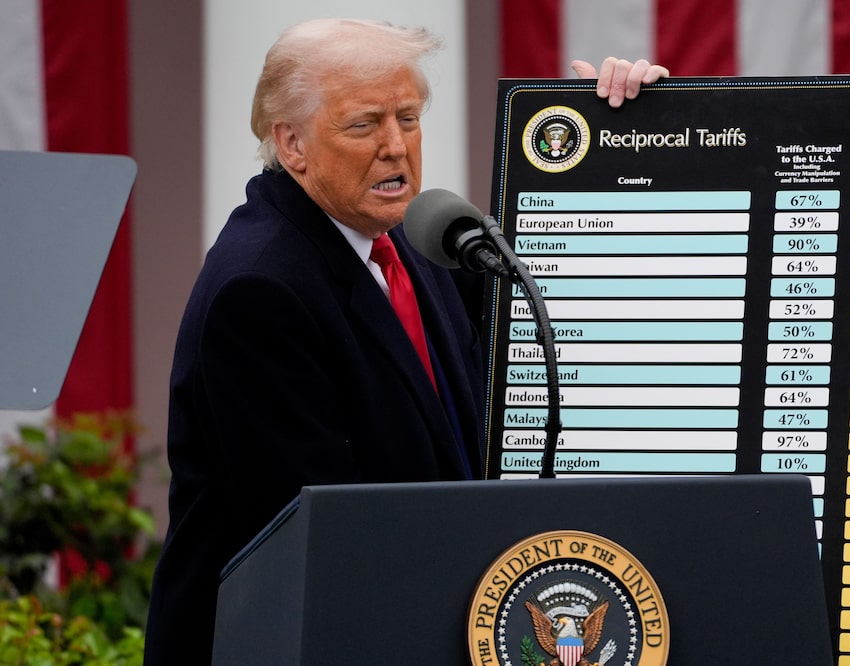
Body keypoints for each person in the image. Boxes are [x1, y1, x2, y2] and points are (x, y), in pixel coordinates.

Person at [142, 18, 667, 665]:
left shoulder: (416, 239)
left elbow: (564, 298)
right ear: (292, 143)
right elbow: (332, 543)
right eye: (364, 124)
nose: (396, 147)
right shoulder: (261, 290)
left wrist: (618, 138)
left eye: (409, 119)